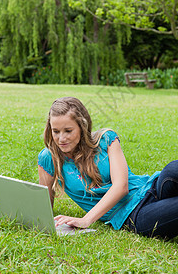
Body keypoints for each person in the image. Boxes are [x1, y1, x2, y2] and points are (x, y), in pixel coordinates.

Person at [38, 97, 178, 239]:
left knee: (173, 169)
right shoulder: (49, 158)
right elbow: (42, 208)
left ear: (82, 127)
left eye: (68, 131)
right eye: (56, 131)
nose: (61, 139)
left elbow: (121, 187)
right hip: (133, 214)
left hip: (151, 188)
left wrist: (86, 220)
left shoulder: (106, 139)